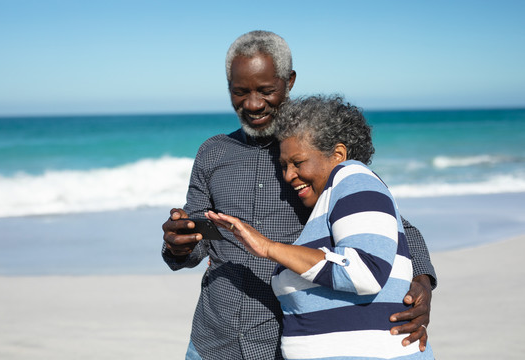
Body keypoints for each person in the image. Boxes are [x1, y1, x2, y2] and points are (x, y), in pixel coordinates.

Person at [162, 30, 436, 360]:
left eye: (265, 90)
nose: (252, 103)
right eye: (240, 92)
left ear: (289, 81)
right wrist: (179, 244)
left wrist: (421, 285)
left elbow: (391, 224)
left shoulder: (313, 155)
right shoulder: (213, 153)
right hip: (211, 342)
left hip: (284, 342)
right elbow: (198, 241)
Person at [205, 95, 434, 359]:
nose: (288, 175)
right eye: (283, 166)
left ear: (338, 155)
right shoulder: (333, 202)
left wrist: (269, 248)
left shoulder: (354, 178)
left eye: (298, 163)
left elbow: (365, 272)